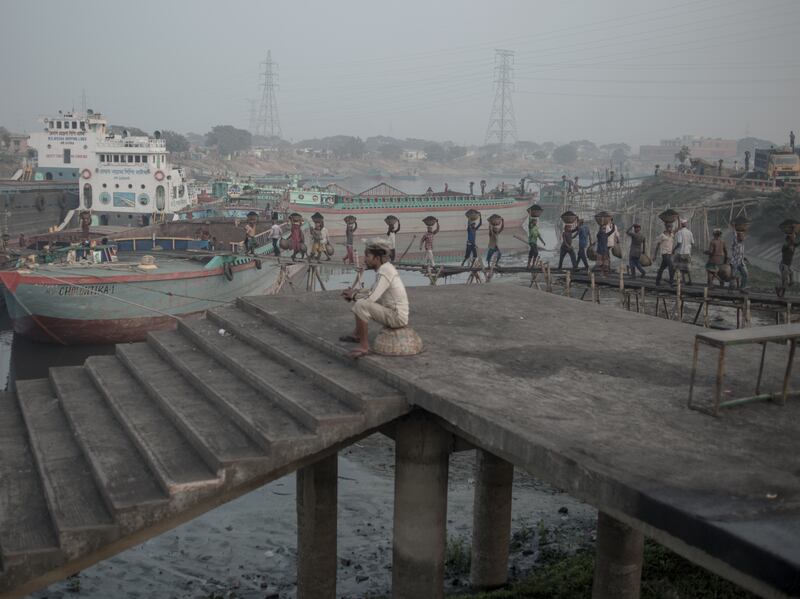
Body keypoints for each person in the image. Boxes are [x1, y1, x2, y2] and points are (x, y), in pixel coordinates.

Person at [340, 238, 409, 359]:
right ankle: (357, 334)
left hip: (397, 316)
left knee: (361, 304)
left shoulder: (384, 272)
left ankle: (364, 346)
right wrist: (355, 292)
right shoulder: (385, 268)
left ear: (377, 258)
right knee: (360, 301)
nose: (365, 259)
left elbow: (371, 298)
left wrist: (354, 296)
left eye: (367, 256)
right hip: (393, 312)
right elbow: (373, 290)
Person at [673, 219, 695, 285]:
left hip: (681, 252)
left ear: (681, 224)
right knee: (687, 267)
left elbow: (679, 242)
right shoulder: (690, 232)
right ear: (686, 224)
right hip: (687, 252)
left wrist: (674, 249)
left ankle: (682, 281)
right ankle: (690, 281)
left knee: (678, 267)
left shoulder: (680, 232)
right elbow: (692, 243)